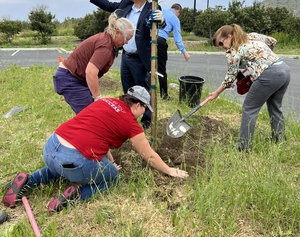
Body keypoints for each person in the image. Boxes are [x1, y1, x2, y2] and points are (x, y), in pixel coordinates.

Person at [2, 86, 188, 212]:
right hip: (73, 161)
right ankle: (77, 195)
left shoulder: (104, 102)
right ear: (138, 105)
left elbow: (100, 136)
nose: (143, 114)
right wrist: (170, 170)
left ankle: (28, 179)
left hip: (51, 147)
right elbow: (150, 156)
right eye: (144, 109)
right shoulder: (131, 124)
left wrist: (112, 162)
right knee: (113, 178)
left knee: (57, 168)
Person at [78, 0, 165, 130]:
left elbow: (159, 23)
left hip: (141, 58)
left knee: (143, 91)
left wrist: (161, 21)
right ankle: (128, 118)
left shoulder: (153, 7)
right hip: (126, 56)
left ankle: (146, 122)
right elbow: (108, 5)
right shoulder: (126, 3)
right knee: (128, 90)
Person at [209, 24, 290, 151]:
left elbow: (230, 77)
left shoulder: (233, 52)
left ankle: (243, 147)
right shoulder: (252, 36)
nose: (221, 47)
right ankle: (279, 139)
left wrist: (216, 93)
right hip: (283, 69)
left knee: (249, 108)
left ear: (229, 37)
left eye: (221, 43)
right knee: (275, 106)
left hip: (269, 74)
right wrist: (264, 57)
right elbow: (273, 41)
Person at [53, 11, 135, 114]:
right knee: (92, 117)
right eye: (126, 38)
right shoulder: (105, 46)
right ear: (117, 32)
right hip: (70, 79)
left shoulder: (107, 40)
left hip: (76, 79)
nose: (126, 42)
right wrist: (97, 97)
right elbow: (91, 73)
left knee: (93, 117)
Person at [157, 3, 190, 100]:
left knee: (147, 67)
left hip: (148, 38)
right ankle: (164, 95)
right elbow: (177, 38)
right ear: (178, 11)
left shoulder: (161, 11)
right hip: (160, 41)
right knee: (161, 70)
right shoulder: (175, 18)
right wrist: (184, 52)